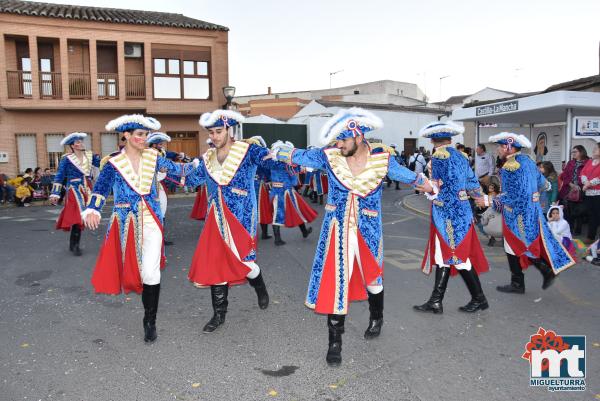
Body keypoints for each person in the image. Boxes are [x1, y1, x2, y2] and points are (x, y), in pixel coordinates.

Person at [273, 107, 431, 366]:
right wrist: (279, 152)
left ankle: (376, 317)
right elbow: (302, 156)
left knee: (373, 281)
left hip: (368, 230)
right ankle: (335, 341)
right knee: (336, 283)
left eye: (343, 139)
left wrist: (428, 186)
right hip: (337, 230)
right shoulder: (330, 156)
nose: (339, 144)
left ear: (358, 137)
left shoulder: (383, 160)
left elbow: (409, 177)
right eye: (337, 139)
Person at [82, 114, 199, 343]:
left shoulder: (154, 157)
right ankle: (149, 317)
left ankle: (149, 321)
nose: (144, 139)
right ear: (126, 135)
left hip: (152, 220)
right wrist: (93, 209)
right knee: (134, 268)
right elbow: (101, 188)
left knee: (150, 272)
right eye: (139, 135)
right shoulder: (113, 163)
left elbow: (178, 170)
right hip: (126, 222)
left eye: (145, 135)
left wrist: (204, 164)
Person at [187, 109, 276, 334]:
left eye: (219, 131)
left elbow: (273, 161)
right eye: (211, 132)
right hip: (215, 219)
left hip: (241, 218)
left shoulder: (248, 151)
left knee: (244, 264)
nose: (215, 136)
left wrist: (289, 158)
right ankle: (219, 315)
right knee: (217, 264)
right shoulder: (207, 157)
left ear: (230, 129)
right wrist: (164, 169)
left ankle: (259, 285)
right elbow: (190, 177)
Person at [475, 132, 575, 294]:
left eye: (501, 146)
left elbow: (515, 195)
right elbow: (543, 183)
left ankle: (532, 277)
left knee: (517, 245)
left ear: (509, 147)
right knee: (519, 244)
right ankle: (526, 278)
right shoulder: (528, 160)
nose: (498, 150)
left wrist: (489, 201)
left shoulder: (509, 167)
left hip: (517, 214)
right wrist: (536, 195)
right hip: (532, 211)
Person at [414, 122, 489, 315]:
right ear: (451, 139)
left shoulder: (439, 157)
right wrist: (479, 198)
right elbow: (472, 183)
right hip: (462, 211)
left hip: (447, 214)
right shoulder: (461, 156)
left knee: (458, 258)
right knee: (443, 256)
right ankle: (436, 301)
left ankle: (479, 299)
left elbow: (439, 187)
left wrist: (430, 189)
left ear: (432, 140)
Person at [49, 132, 100, 256]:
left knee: (84, 215)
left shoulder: (90, 155)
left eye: (81, 141)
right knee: (78, 215)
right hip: (73, 189)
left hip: (87, 188)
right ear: (72, 146)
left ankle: (73, 243)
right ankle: (75, 245)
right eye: (77, 142)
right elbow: (60, 175)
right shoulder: (67, 159)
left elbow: (101, 165)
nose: (81, 143)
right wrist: (55, 193)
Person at [269, 140, 317, 245]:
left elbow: (267, 176)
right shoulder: (287, 165)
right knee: (296, 211)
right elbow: (294, 180)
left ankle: (302, 233)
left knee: (278, 213)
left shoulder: (271, 164)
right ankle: (278, 239)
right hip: (287, 192)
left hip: (275, 191)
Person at [146, 130, 179, 246]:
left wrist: (178, 155)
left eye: (162, 144)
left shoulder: (161, 152)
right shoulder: (149, 154)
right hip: (152, 185)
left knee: (162, 210)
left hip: (160, 184)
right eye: (160, 144)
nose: (162, 146)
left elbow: (168, 154)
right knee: (154, 210)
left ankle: (159, 237)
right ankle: (153, 238)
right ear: (154, 144)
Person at [559, 145, 588, 235]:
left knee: (579, 211)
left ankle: (578, 230)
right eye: (572, 152)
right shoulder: (571, 163)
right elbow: (564, 175)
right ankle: (570, 229)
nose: (573, 153)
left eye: (575, 152)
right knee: (568, 210)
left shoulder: (588, 162)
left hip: (582, 190)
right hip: (569, 189)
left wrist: (580, 185)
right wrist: (571, 184)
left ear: (581, 152)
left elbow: (588, 175)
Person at [249, 136, 274, 240]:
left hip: (249, 185)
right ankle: (264, 233)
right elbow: (267, 170)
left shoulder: (247, 154)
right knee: (263, 209)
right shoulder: (262, 155)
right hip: (260, 185)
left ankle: (248, 233)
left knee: (249, 208)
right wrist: (269, 180)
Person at [581, 142, 600, 244]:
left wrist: (588, 184)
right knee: (591, 215)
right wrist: (585, 182)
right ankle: (591, 236)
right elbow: (583, 173)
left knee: (597, 215)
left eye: (596, 148)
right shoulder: (589, 161)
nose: (593, 150)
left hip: (598, 193)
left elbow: (599, 178)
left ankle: (592, 237)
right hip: (589, 193)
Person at [190, 139, 213, 221]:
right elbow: (198, 160)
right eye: (211, 145)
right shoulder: (206, 155)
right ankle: (205, 213)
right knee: (206, 197)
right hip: (206, 181)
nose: (212, 147)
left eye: (212, 145)